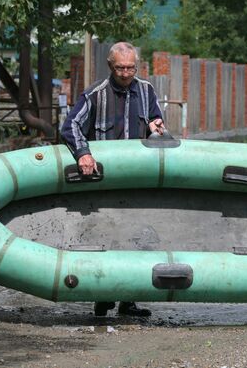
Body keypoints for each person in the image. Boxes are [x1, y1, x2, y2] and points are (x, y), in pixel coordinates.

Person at [61, 41, 165, 317]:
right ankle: (102, 296)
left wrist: (156, 125)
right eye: (121, 68)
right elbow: (70, 125)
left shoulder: (147, 91)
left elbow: (156, 119)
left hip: (138, 180)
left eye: (131, 67)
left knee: (137, 238)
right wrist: (83, 153)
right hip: (104, 181)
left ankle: (128, 300)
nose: (126, 73)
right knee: (105, 237)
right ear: (110, 66)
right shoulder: (95, 94)